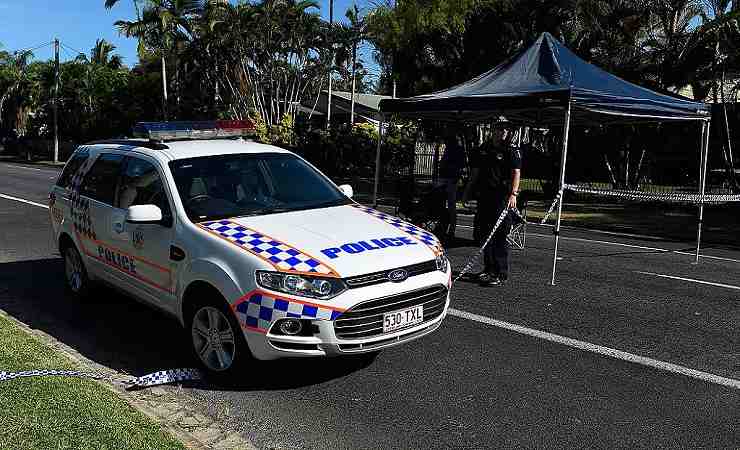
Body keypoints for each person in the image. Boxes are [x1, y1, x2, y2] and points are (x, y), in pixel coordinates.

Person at [462, 126, 522, 286]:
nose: (502, 132)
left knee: (500, 235)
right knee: (485, 233)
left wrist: (513, 193)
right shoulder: (484, 148)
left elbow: (516, 172)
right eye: (499, 129)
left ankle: (500, 273)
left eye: (505, 130)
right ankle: (488, 269)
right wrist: (467, 191)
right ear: (493, 131)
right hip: (484, 196)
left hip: (502, 197)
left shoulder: (511, 150)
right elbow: (475, 172)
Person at [437, 125, 467, 241]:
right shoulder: (450, 149)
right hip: (446, 177)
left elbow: (460, 166)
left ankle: (451, 229)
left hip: (451, 178)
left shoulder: (457, 149)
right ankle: (445, 226)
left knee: (451, 205)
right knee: (444, 202)